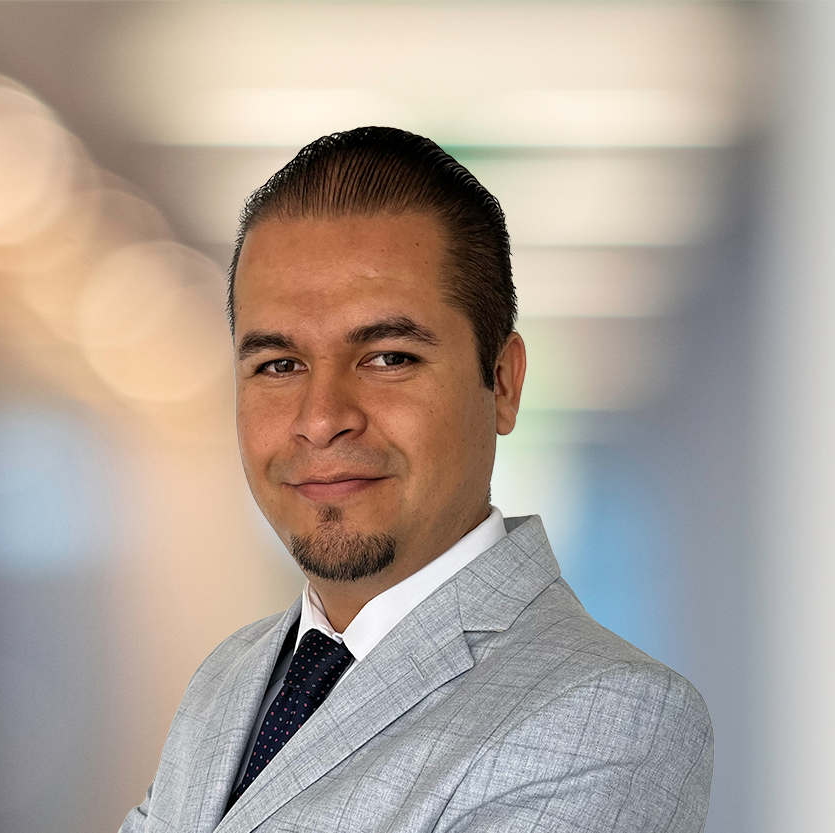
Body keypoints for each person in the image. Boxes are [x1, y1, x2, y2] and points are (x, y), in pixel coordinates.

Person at [121, 127, 713, 833]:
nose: (321, 419)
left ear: (502, 383)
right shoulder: (229, 678)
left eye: (388, 358)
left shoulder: (610, 714)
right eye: (279, 365)